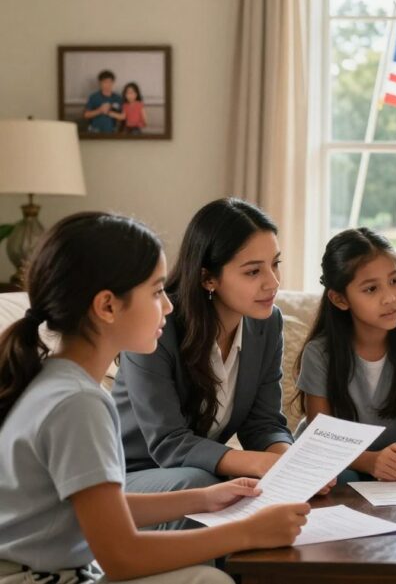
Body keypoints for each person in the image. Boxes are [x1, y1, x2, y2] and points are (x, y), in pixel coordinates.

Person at [0, 212, 309, 584]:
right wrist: (248, 532)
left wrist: (205, 498)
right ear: (107, 306)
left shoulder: (61, 383)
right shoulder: (77, 404)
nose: (168, 305)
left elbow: (91, 511)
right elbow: (121, 556)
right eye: (156, 291)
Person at [114, 199, 327, 529]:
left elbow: (264, 423)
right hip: (130, 478)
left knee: (258, 489)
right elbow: (169, 443)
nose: (272, 282)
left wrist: (288, 462)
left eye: (275, 264)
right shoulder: (157, 326)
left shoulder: (267, 324)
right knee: (203, 483)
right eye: (253, 271)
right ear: (208, 278)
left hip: (201, 472)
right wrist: (258, 464)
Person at [295, 228, 396, 484]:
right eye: (371, 289)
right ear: (339, 299)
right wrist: (372, 462)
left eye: (394, 280)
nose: (390, 298)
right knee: (343, 479)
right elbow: (320, 437)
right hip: (332, 458)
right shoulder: (320, 352)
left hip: (391, 454)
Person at [83, 70, 124, 134]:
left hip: (112, 131)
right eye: (105, 82)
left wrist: (109, 112)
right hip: (95, 131)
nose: (108, 85)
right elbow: (86, 115)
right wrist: (100, 110)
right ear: (100, 83)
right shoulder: (94, 97)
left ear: (113, 83)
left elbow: (122, 117)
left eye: (110, 82)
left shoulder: (118, 98)